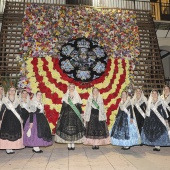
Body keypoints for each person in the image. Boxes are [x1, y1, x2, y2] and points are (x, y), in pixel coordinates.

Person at [55, 83, 85, 150]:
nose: (71, 88)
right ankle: (69, 144)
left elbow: (79, 107)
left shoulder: (77, 96)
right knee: (67, 129)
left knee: (74, 129)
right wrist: (60, 114)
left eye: (73, 87)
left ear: (74, 88)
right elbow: (63, 107)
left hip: (75, 116)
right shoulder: (65, 96)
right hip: (67, 115)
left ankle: (73, 143)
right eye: (70, 87)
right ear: (68, 88)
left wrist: (81, 114)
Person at [0, 86, 24, 154]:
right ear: (8, 91)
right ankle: (8, 148)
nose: (12, 92)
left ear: (15, 92)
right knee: (8, 132)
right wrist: (0, 119)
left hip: (15, 119)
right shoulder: (5, 99)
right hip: (7, 118)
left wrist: (21, 118)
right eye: (11, 90)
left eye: (13, 90)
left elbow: (19, 110)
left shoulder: (18, 100)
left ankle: (12, 146)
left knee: (13, 132)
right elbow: (2, 110)